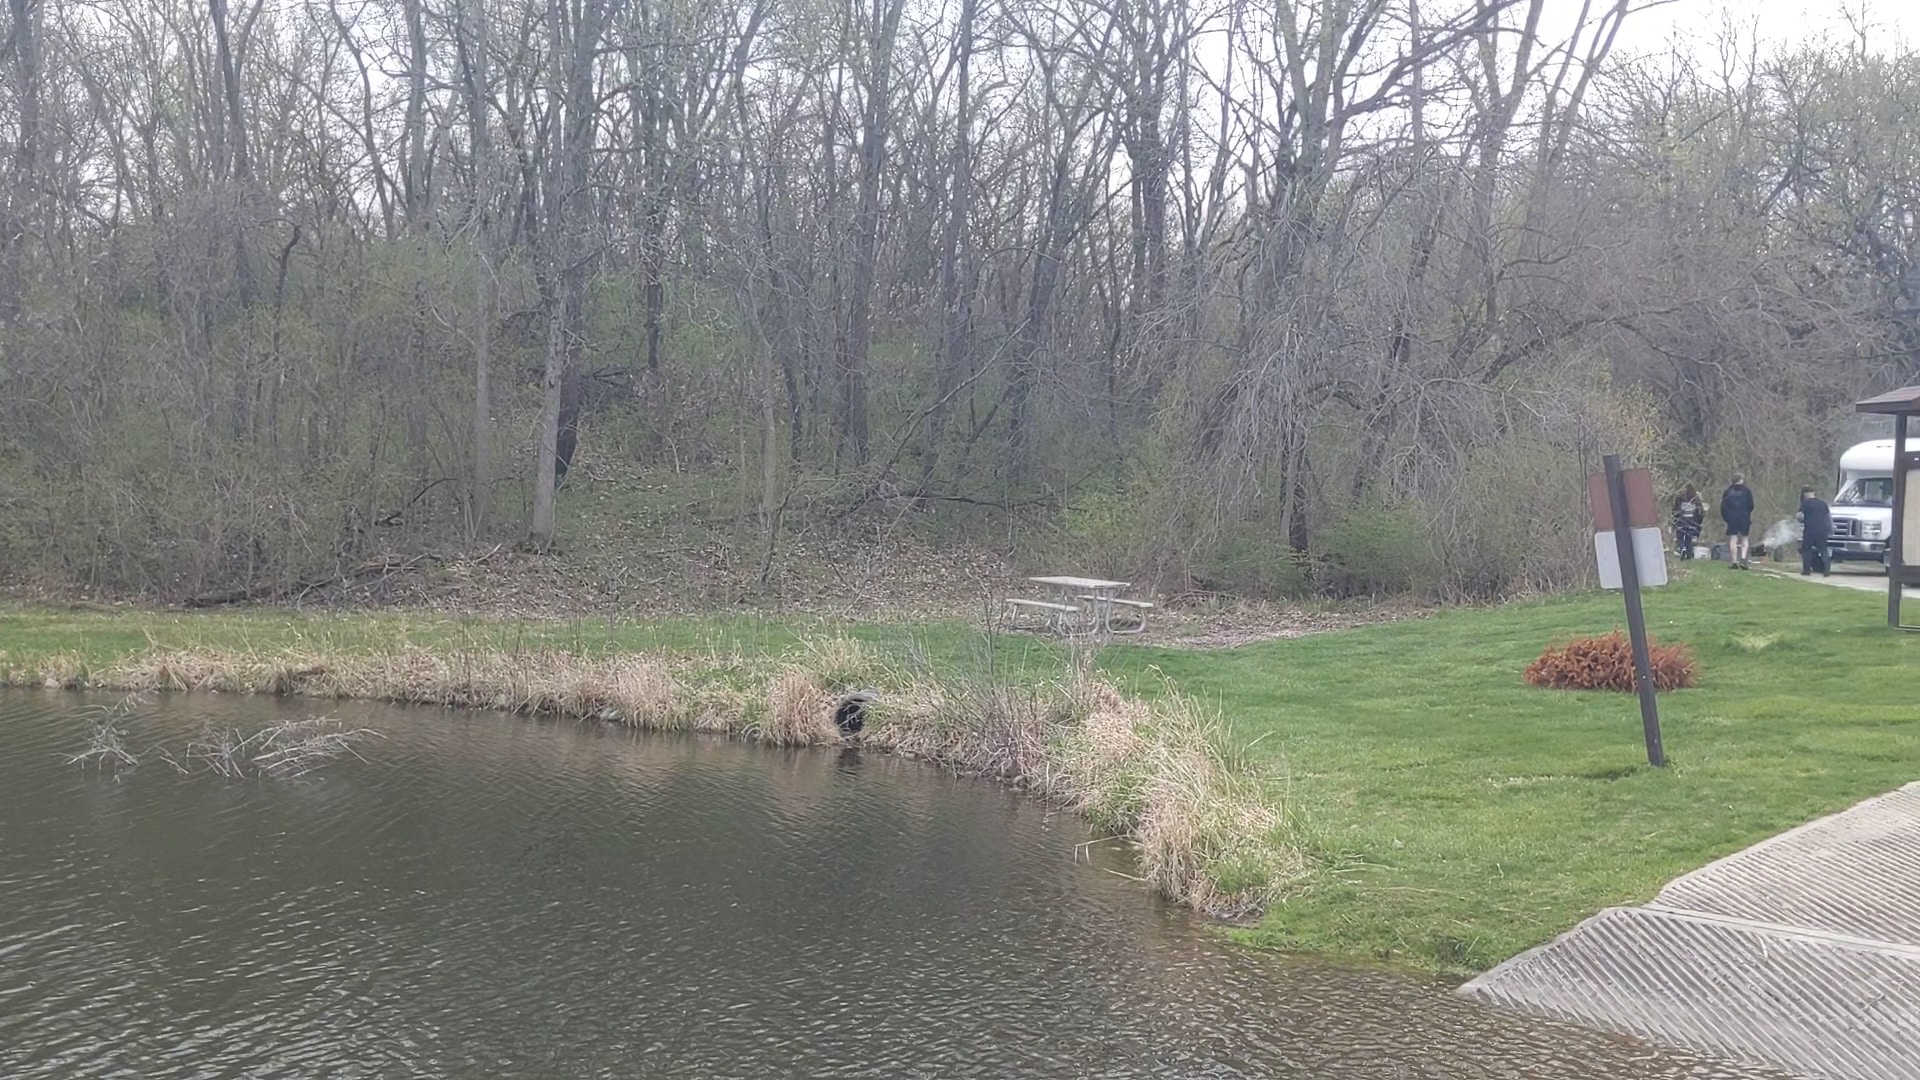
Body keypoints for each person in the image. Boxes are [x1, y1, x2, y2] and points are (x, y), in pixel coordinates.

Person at [1720, 474, 1755, 568]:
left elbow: (1723, 507)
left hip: (1732, 518)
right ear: (1740, 480)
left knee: (1733, 539)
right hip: (1744, 517)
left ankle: (1734, 561)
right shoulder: (1747, 491)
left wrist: (1727, 518)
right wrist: (1747, 514)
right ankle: (1743, 559)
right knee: (1744, 539)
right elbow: (1751, 505)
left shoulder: (1728, 492)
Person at [1798, 486, 1832, 576]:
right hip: (1822, 530)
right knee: (1823, 550)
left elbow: (1800, 516)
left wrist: (1801, 521)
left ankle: (1806, 570)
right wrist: (1830, 529)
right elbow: (1828, 518)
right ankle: (1827, 570)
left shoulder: (1805, 504)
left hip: (1810, 530)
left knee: (1806, 550)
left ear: (1805, 494)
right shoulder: (1823, 503)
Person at [1671, 484, 1705, 560]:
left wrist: (1675, 521)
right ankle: (1689, 554)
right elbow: (1701, 513)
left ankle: (1682, 548)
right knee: (1688, 538)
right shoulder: (1696, 500)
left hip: (1681, 522)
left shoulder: (1679, 499)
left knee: (1680, 537)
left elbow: (1675, 511)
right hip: (1692, 523)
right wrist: (1698, 523)